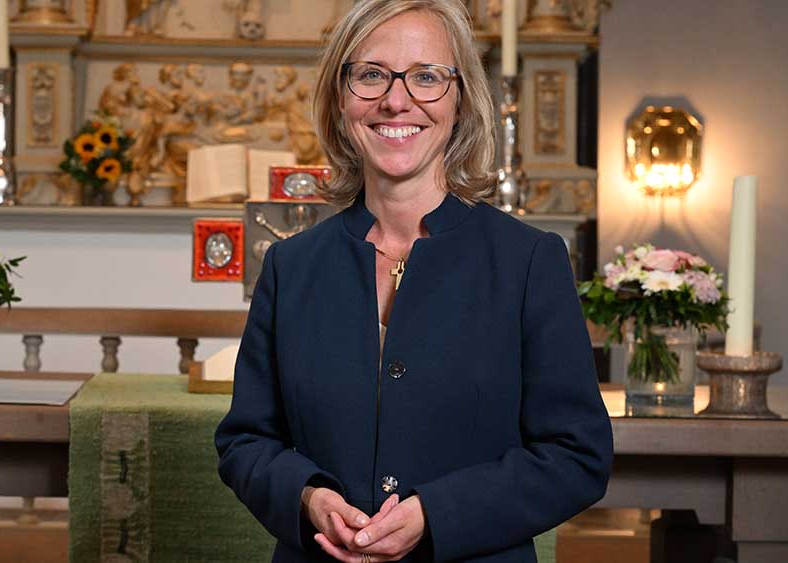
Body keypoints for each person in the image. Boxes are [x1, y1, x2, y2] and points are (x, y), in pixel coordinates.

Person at [214, 1, 614, 562]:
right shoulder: (291, 266)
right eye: (371, 74)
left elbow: (578, 456)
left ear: (461, 100)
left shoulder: (529, 262)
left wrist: (435, 514)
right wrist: (308, 499)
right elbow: (246, 442)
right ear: (340, 97)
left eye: (426, 77)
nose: (395, 99)